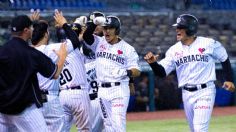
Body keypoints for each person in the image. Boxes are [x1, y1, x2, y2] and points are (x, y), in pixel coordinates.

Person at [144, 14, 235, 132]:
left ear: (190, 28)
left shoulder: (208, 43)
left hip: (205, 91)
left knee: (199, 129)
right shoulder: (174, 50)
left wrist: (229, 79)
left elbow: (224, 57)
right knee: (194, 129)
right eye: (177, 27)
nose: (177, 30)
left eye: (181, 27)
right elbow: (162, 73)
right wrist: (153, 64)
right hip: (186, 93)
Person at [0, 15, 67, 131]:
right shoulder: (31, 53)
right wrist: (62, 57)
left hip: (3, 109)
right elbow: (55, 74)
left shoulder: (2, 51)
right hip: (24, 109)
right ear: (25, 31)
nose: (32, 30)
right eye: (31, 27)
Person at [83, 14, 141, 132]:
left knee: (118, 124)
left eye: (110, 28)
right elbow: (86, 36)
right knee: (108, 125)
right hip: (102, 90)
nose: (107, 31)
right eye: (105, 28)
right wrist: (94, 23)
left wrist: (126, 72)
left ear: (117, 30)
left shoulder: (127, 48)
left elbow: (137, 70)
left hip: (119, 89)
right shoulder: (99, 42)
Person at [31, 19, 79, 132]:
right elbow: (75, 41)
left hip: (33, 100)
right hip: (50, 99)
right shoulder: (52, 48)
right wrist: (64, 24)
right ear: (46, 34)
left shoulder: (27, 50)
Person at [54, 10, 92, 131]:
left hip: (62, 95)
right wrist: (65, 24)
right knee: (85, 129)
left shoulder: (55, 50)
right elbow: (81, 38)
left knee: (61, 129)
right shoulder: (73, 47)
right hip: (78, 93)